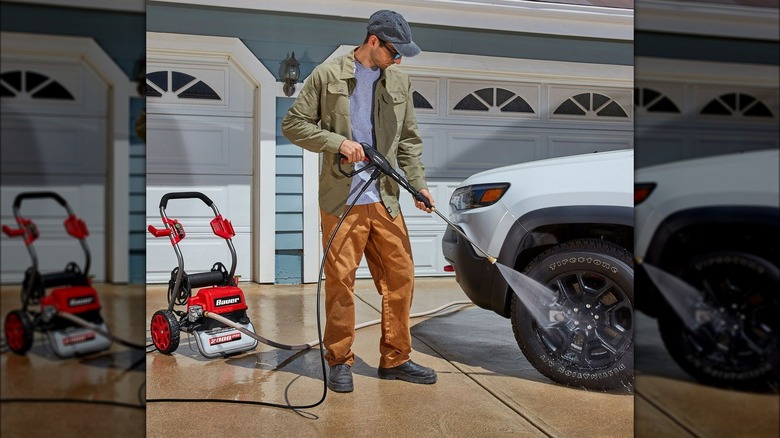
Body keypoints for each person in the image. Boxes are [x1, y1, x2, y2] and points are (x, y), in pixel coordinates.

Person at [282, 10, 437, 393]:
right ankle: (338, 359)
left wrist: (419, 185)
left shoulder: (399, 80)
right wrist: (338, 143)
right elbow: (293, 124)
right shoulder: (327, 74)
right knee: (340, 282)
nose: (398, 59)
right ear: (373, 42)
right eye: (394, 51)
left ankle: (396, 358)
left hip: (385, 198)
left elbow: (409, 141)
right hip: (342, 200)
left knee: (400, 278)